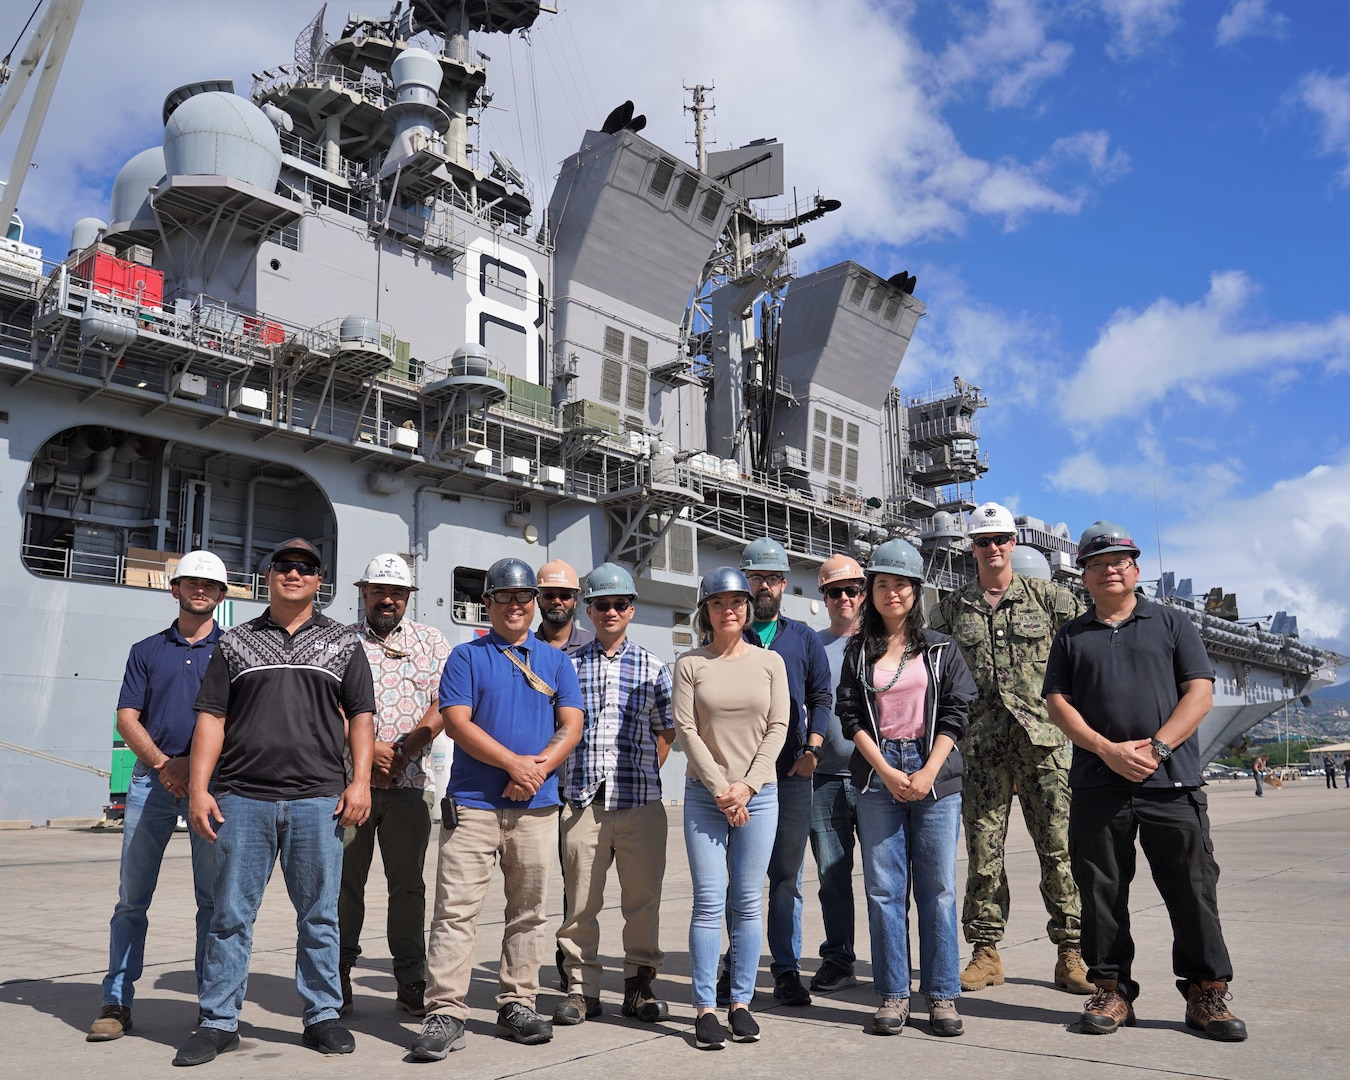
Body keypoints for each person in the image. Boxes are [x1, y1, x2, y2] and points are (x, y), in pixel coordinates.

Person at [174, 538, 375, 1067]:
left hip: (318, 801)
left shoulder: (343, 643)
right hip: (244, 798)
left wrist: (360, 782)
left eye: (305, 568)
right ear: (268, 577)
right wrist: (199, 788)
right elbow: (211, 718)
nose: (293, 573)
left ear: (318, 581)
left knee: (320, 917)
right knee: (230, 916)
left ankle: (322, 1016)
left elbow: (360, 716)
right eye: (283, 566)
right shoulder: (235, 643)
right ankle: (218, 1021)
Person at [1044, 520, 1247, 1042]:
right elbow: (1058, 704)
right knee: (1101, 892)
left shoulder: (1174, 624)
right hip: (1097, 780)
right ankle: (1111, 990)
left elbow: (1199, 694)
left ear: (1135, 570)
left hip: (1171, 781)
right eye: (1097, 563)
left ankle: (1206, 993)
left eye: (1119, 561)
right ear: (1083, 576)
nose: (1109, 569)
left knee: (1193, 888)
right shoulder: (1071, 636)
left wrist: (1156, 748)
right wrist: (1106, 750)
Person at [409, 558, 583, 1060]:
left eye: (523, 597)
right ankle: (445, 1012)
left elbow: (571, 726)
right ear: (487, 604)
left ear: (535, 604)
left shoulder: (556, 663)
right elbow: (457, 723)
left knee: (529, 913)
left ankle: (518, 1003)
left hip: (537, 807)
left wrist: (535, 772)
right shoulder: (466, 657)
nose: (515, 605)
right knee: (455, 912)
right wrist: (515, 766)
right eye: (503, 597)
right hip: (474, 806)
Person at [928, 502, 1090, 995]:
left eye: (999, 539)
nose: (992, 548)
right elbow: (938, 681)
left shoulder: (1053, 600)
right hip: (980, 749)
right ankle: (985, 951)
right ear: (971, 548)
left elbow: (1089, 660)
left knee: (1059, 850)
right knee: (983, 853)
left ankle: (1071, 951)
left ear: (1013, 544)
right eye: (982, 541)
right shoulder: (951, 609)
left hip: (1044, 743)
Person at [836, 539, 977, 1038]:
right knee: (883, 889)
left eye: (900, 584)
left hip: (934, 769)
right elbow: (849, 714)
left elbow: (959, 711)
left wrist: (927, 771)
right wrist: (889, 771)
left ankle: (941, 995)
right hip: (878, 775)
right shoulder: (858, 650)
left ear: (916, 591)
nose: (890, 592)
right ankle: (893, 994)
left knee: (937, 888)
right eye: (881, 584)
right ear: (870, 592)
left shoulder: (941, 648)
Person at [87, 551, 228, 1042]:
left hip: (210, 787)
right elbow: (128, 717)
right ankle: (116, 1001)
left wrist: (195, 773)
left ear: (222, 595)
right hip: (153, 782)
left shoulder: (233, 651)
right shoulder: (146, 650)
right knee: (132, 898)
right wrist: (166, 766)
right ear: (175, 589)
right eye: (192, 582)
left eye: (211, 584)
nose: (201, 590)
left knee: (214, 901)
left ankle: (212, 1005)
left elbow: (241, 720)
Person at [553, 563, 675, 1027]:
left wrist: (642, 774)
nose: (610, 611)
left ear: (631, 610)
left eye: (619, 604)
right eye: (601, 604)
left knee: (642, 901)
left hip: (640, 803)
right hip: (583, 802)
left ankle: (639, 987)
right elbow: (558, 728)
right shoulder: (567, 666)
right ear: (588, 610)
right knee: (580, 903)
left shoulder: (652, 666)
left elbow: (665, 732)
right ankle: (581, 991)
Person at [675, 567, 788, 1049]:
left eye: (737, 602)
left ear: (748, 609)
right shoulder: (690, 664)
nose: (730, 610)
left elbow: (778, 728)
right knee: (708, 901)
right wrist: (724, 788)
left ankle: (740, 1003)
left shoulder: (770, 663)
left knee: (746, 903)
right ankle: (704, 1008)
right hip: (706, 796)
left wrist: (746, 787)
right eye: (719, 603)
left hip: (758, 797)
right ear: (707, 610)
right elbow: (686, 730)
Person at [338, 553, 451, 1018]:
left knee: (408, 887)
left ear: (408, 598)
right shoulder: (338, 642)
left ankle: (410, 979)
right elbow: (328, 703)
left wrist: (402, 750)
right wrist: (371, 751)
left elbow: (447, 701)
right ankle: (336, 978)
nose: (388, 599)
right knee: (344, 886)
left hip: (410, 784)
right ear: (363, 592)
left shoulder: (431, 641)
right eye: (380, 591)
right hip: (349, 786)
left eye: (397, 593)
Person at [723, 537, 831, 1008]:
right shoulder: (727, 636)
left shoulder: (803, 639)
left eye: (771, 577)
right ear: (745, 584)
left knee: (786, 877)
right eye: (756, 578)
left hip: (789, 775)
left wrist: (812, 750)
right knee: (737, 879)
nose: (763, 585)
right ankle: (733, 966)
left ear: (784, 583)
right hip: (738, 777)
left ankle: (786, 969)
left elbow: (823, 698)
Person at [808, 554, 867, 995]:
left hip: (877, 778)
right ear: (823, 596)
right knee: (832, 876)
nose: (844, 598)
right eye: (835, 591)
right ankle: (839, 958)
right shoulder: (812, 645)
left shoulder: (886, 644)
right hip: (825, 778)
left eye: (853, 590)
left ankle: (892, 959)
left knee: (889, 877)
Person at [534, 559, 595, 655]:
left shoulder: (593, 645)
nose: (557, 601)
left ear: (575, 601)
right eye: (549, 595)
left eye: (565, 596)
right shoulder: (525, 647)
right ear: (538, 600)